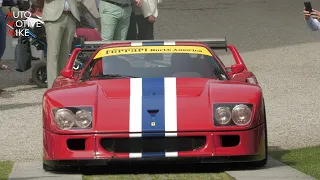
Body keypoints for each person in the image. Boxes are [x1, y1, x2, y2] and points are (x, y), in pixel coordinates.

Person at [42, 0, 81, 88]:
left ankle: (62, 87)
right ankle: (52, 87)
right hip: (53, 16)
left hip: (71, 15)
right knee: (53, 54)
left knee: (65, 54)